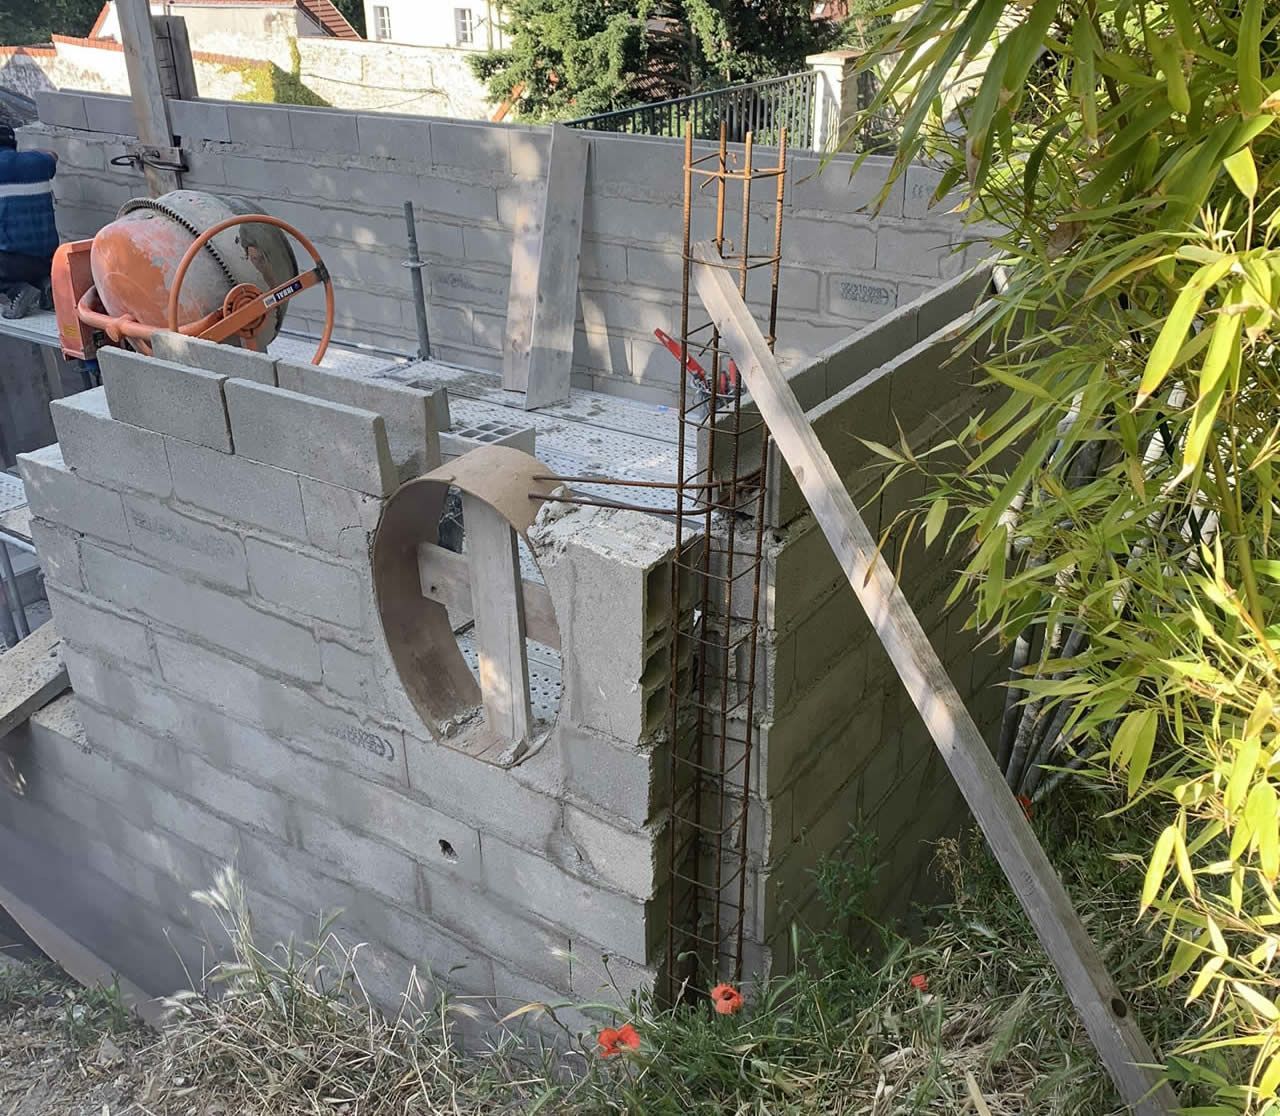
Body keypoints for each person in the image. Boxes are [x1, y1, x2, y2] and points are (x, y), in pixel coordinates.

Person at [0, 124, 58, 320]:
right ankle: (46, 285)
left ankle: (17, 291)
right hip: (47, 259)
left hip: (11, 263)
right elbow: (52, 154)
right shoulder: (38, 163)